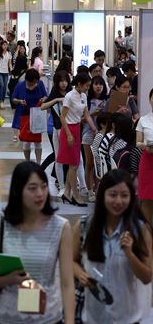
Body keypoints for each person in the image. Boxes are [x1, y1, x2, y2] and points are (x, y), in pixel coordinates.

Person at [0, 161, 74, 323]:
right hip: (6, 317)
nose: (40, 193)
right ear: (18, 191)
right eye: (32, 188)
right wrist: (9, 279)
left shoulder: (60, 227)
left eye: (44, 186)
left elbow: (67, 283)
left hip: (48, 318)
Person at [72, 169, 152, 324]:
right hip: (92, 316)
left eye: (124, 195)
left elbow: (147, 277)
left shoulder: (140, 230)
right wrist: (80, 273)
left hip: (127, 317)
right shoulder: (84, 225)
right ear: (102, 195)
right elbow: (70, 260)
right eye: (113, 194)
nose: (118, 201)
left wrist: (130, 254)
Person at [58, 73, 97, 207]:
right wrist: (68, 134)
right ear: (79, 84)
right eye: (86, 85)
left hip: (77, 129)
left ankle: (67, 193)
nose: (88, 88)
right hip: (68, 130)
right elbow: (62, 117)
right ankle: (75, 195)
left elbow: (86, 115)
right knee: (73, 164)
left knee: (73, 163)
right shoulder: (69, 96)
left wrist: (94, 129)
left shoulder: (84, 96)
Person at [11, 69, 48, 163]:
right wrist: (19, 101)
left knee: (37, 141)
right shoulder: (20, 85)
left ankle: (38, 163)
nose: (34, 84)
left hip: (37, 115)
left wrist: (43, 99)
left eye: (35, 82)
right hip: (24, 115)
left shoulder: (40, 84)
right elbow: (13, 98)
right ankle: (27, 161)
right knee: (26, 140)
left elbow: (46, 96)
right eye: (32, 82)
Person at [82, 76, 108, 200]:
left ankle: (98, 189)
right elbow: (80, 120)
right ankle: (89, 190)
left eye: (101, 84)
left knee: (99, 163)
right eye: (96, 84)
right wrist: (93, 114)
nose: (98, 86)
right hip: (87, 134)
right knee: (89, 163)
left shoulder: (106, 101)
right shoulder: (86, 100)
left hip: (102, 135)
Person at [136, 89, 153, 224]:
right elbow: (138, 142)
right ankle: (145, 234)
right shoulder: (143, 120)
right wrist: (145, 145)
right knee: (146, 199)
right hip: (147, 160)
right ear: (150, 99)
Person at [0, 40, 12, 109]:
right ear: (1, 46)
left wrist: (11, 69)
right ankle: (1, 101)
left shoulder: (9, 53)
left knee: (5, 86)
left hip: (6, 72)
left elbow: (10, 63)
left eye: (6, 45)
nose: (5, 46)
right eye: (4, 45)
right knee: (2, 85)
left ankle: (2, 101)